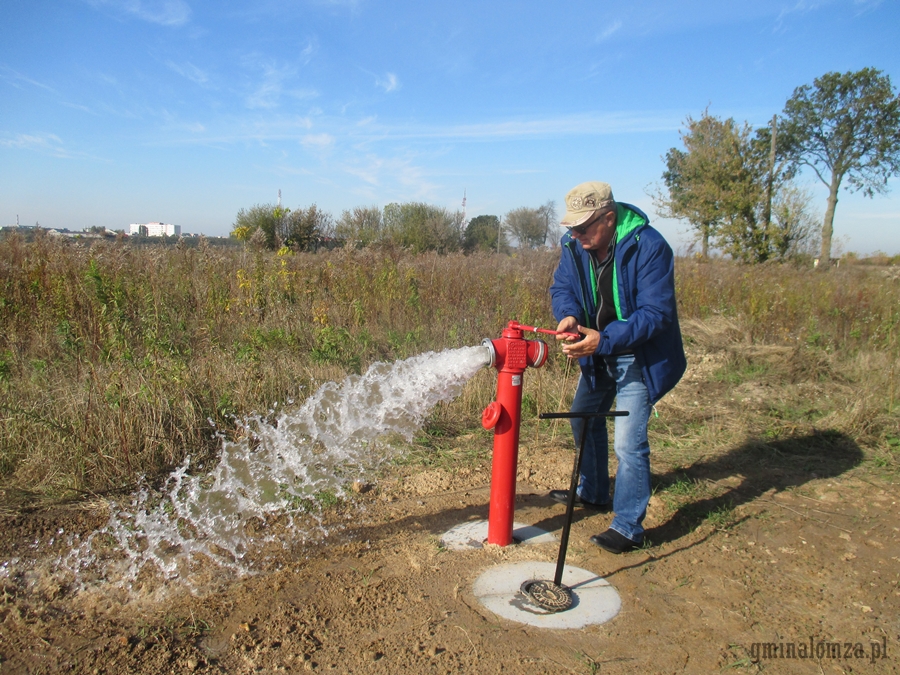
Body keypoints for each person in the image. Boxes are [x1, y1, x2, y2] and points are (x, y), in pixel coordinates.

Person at [549, 181, 686, 554]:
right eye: (571, 229)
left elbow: (656, 315)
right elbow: (561, 288)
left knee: (628, 443)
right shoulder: (573, 246)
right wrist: (569, 316)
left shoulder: (650, 247)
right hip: (596, 350)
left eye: (583, 228)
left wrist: (603, 340)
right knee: (582, 417)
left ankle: (628, 526)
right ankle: (593, 491)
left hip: (638, 355)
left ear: (609, 218)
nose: (576, 237)